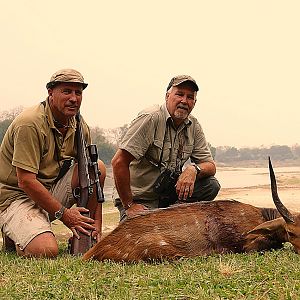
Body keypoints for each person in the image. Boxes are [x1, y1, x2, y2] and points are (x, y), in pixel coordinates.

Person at [0, 69, 106, 258]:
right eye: (67, 91)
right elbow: (25, 181)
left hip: (47, 190)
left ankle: (83, 233)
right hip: (14, 196)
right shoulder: (30, 123)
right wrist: (65, 215)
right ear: (50, 93)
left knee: (97, 167)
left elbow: (93, 180)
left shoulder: (80, 126)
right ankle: (17, 232)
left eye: (78, 93)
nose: (74, 98)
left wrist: (96, 227)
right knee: (45, 251)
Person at [112, 75, 220, 221]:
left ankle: (174, 217)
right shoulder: (150, 118)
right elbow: (119, 162)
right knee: (141, 241)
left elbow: (210, 166)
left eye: (189, 97)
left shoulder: (194, 125)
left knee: (211, 185)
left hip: (169, 197)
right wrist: (129, 205)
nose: (184, 101)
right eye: (179, 94)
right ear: (167, 96)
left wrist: (193, 169)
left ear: (194, 102)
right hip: (141, 200)